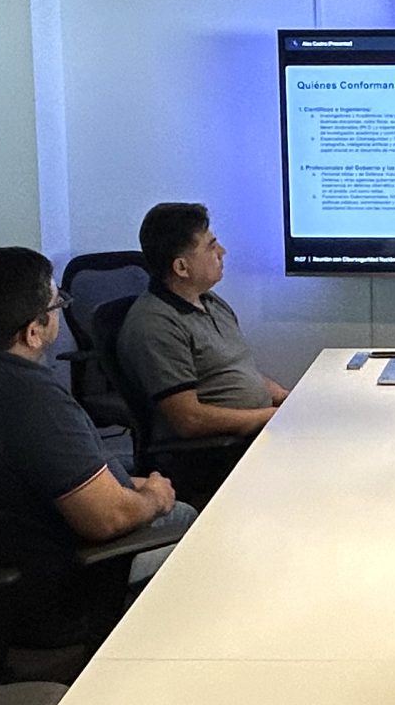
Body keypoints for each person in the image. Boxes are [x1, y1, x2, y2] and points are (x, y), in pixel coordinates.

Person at [0, 245, 191, 547]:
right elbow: (108, 518)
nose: (60, 309)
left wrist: (126, 485)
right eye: (58, 304)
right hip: (63, 555)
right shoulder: (32, 400)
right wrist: (154, 497)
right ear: (33, 332)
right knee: (187, 515)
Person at [114, 203, 287, 500]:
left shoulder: (210, 302)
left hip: (254, 432)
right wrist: (267, 416)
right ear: (182, 267)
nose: (222, 252)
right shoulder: (156, 325)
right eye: (211, 246)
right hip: (215, 452)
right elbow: (189, 420)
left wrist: (287, 399)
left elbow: (236, 370)